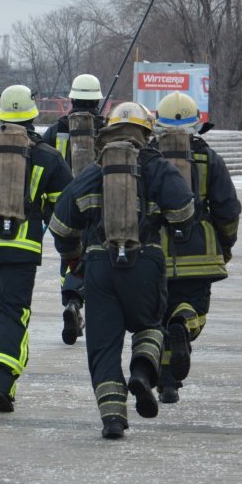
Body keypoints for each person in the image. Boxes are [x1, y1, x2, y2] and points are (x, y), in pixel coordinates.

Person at [49, 102, 196, 439]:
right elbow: (185, 210)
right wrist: (172, 228)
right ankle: (143, 374)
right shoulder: (157, 166)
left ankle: (113, 419)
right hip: (146, 262)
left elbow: (60, 224)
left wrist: (74, 259)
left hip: (100, 267)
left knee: (103, 347)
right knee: (149, 325)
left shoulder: (93, 170)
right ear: (147, 132)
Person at [0, 84, 73, 412]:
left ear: (1, 113)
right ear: (33, 114)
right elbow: (63, 206)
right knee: (13, 309)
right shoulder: (47, 155)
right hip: (21, 246)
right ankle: (3, 378)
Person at [151, 92, 241, 404]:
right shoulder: (209, 158)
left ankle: (167, 383)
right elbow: (228, 209)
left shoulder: (148, 157)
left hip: (155, 252)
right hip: (200, 252)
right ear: (196, 124)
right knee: (195, 313)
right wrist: (225, 245)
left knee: (159, 318)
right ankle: (184, 325)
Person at [42, 74, 107, 346]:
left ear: (71, 100)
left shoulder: (56, 130)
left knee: (68, 257)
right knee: (97, 255)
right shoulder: (107, 130)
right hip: (99, 207)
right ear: (97, 101)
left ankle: (71, 302)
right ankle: (89, 307)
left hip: (64, 207)